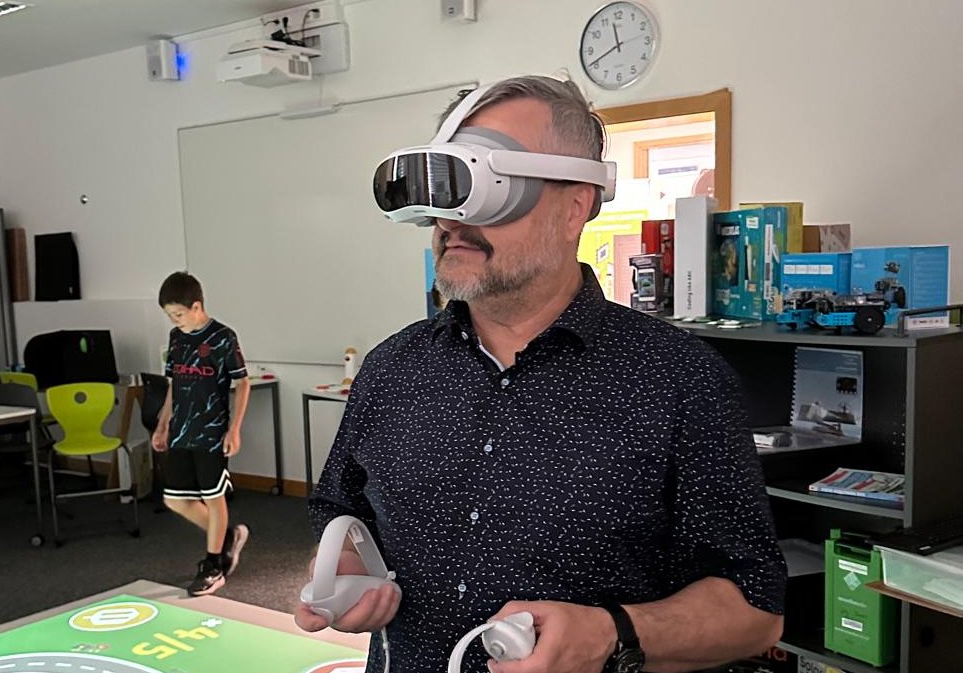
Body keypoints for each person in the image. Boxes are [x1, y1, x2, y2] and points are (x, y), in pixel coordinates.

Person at [294, 75, 786, 673]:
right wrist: (347, 572)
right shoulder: (392, 370)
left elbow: (756, 609)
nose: (451, 222)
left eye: (483, 188)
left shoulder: (680, 381)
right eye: (444, 191)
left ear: (575, 205)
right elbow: (340, 511)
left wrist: (612, 633)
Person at [152, 271, 251, 596]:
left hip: (212, 432)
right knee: (175, 499)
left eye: (178, 314)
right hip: (181, 431)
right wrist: (163, 424)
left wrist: (234, 430)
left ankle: (214, 565)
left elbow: (243, 383)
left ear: (196, 306)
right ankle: (227, 537)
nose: (174, 320)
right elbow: (174, 385)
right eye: (170, 315)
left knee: (213, 496)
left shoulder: (223, 337)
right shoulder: (176, 338)